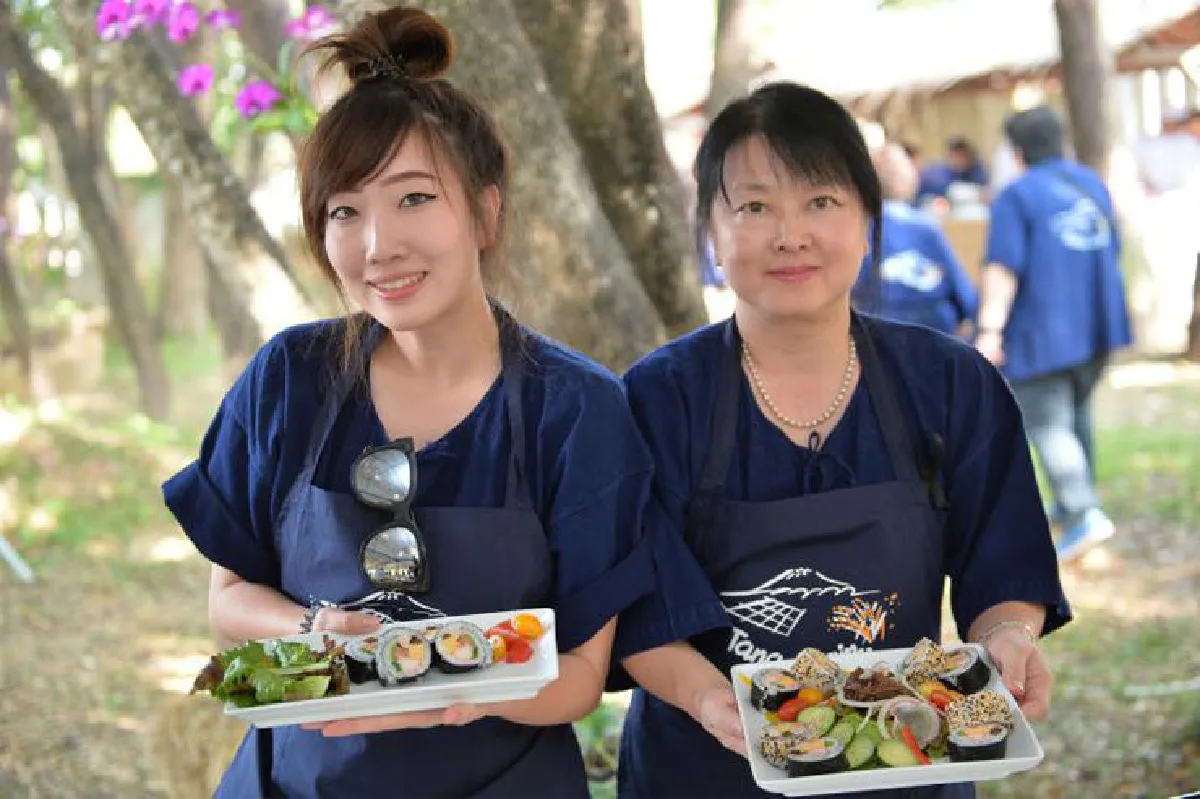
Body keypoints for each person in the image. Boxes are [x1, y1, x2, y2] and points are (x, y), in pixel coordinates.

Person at [162, 7, 656, 797]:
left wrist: (452, 692)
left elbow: (577, 678)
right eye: (344, 211)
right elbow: (229, 599)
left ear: (488, 212)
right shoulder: (290, 378)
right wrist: (312, 628)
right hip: (297, 780)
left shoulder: (577, 411)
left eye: (414, 198)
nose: (377, 245)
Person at [612, 82, 1071, 799]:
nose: (790, 234)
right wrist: (713, 702)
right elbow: (634, 605)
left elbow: (1005, 567)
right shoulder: (655, 398)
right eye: (755, 206)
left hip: (908, 763)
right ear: (711, 231)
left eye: (820, 201)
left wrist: (1009, 636)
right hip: (705, 769)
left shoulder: (950, 382)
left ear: (867, 221)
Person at [977, 105, 1132, 563]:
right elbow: (1113, 248)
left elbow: (1003, 266)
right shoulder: (1090, 184)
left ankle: (1083, 513)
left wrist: (990, 329)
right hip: (1097, 325)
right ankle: (1074, 503)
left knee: (1047, 423)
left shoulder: (1016, 195)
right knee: (1076, 413)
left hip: (1043, 329)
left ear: (1017, 149)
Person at [856, 142, 978, 337]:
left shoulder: (858, 230)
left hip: (875, 342)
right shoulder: (925, 228)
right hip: (933, 342)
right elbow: (966, 299)